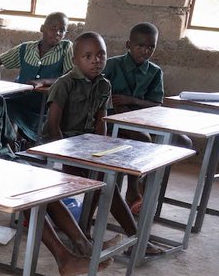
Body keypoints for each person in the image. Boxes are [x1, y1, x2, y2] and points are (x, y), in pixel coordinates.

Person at [0, 51, 100, 276]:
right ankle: (64, 258)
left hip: (2, 165)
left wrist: (17, 157)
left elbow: (8, 140)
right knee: (27, 197)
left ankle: (84, 246)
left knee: (46, 191)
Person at [44, 33, 152, 252]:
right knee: (103, 184)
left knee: (106, 179)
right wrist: (64, 153)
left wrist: (103, 147)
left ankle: (92, 233)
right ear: (75, 60)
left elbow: (100, 121)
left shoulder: (104, 85)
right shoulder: (64, 84)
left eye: (101, 55)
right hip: (65, 146)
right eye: (88, 56)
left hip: (90, 146)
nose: (96, 60)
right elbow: (53, 126)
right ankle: (134, 239)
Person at [103, 22, 165, 210]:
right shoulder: (112, 65)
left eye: (150, 47)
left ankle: (147, 190)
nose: (145, 51)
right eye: (140, 46)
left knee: (182, 142)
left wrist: (132, 101)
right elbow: (100, 95)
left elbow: (157, 104)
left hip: (140, 121)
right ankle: (133, 189)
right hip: (110, 122)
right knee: (141, 139)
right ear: (128, 44)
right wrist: (119, 107)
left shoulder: (154, 72)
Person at [0, 11, 74, 141]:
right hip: (21, 100)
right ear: (42, 28)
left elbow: (70, 76)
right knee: (1, 105)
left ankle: (15, 144)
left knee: (12, 113)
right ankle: (12, 145)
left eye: (62, 30)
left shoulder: (65, 48)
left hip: (47, 106)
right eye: (53, 28)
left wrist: (44, 82)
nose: (57, 33)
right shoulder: (26, 48)